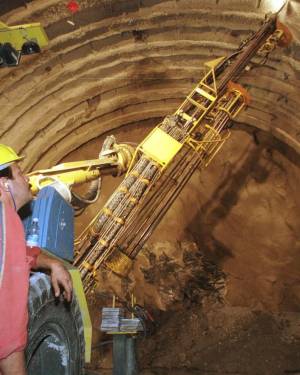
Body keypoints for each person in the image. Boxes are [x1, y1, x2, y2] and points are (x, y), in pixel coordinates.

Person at [0, 144, 73, 375]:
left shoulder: (8, 219)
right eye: (20, 172)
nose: (28, 178)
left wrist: (52, 264)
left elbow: (19, 256)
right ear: (4, 183)